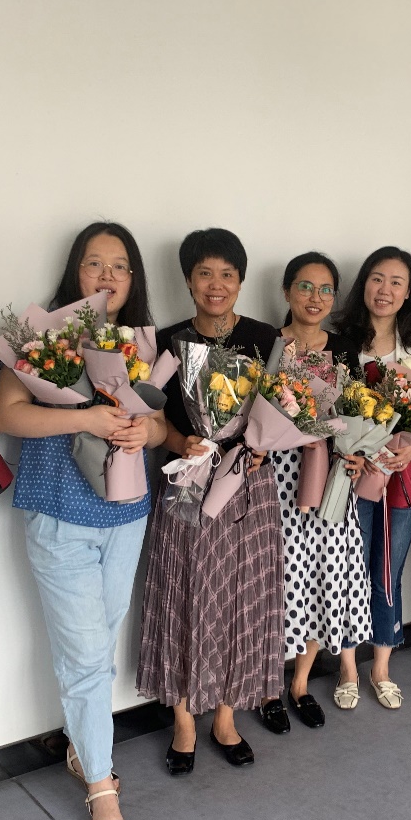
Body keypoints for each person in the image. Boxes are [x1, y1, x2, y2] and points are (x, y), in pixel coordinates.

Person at [0, 222, 165, 820]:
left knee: (101, 639)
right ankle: (100, 784)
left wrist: (143, 431)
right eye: (95, 263)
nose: (107, 276)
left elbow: (159, 423)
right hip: (59, 511)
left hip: (126, 511)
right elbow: (9, 413)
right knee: (87, 654)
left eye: (119, 266)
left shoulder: (141, 341)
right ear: (76, 271)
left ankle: (80, 744)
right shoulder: (43, 336)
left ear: (132, 278)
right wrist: (86, 416)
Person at [137, 228, 281, 773]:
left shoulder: (267, 339)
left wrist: (262, 447)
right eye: (204, 274)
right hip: (187, 480)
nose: (215, 285)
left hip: (248, 486)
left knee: (242, 595)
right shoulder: (167, 342)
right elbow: (152, 418)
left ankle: (225, 716)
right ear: (188, 280)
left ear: (240, 281)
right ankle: (183, 720)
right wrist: (183, 443)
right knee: (185, 592)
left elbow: (286, 409)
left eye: (226, 274)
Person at [255, 252, 368, 732]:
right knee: (277, 579)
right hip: (277, 476)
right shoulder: (266, 344)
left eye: (325, 289)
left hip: (332, 479)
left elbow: (359, 414)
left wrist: (359, 453)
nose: (315, 297)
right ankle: (267, 688)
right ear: (286, 291)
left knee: (324, 574)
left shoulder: (344, 351)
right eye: (305, 286)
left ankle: (300, 683)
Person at [334, 246, 411, 710]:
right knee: (349, 567)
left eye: (397, 282)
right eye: (377, 279)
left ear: (409, 292)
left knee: (387, 570)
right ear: (364, 283)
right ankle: (347, 667)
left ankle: (381, 666)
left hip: (402, 472)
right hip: (352, 472)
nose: (385, 290)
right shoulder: (340, 340)